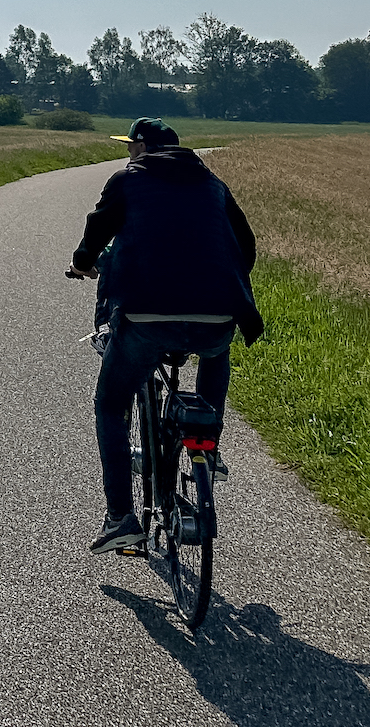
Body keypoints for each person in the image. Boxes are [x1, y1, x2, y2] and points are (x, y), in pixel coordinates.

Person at [68, 116, 262, 554]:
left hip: (147, 317)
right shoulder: (212, 184)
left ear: (140, 148)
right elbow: (245, 245)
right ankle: (208, 446)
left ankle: (120, 518)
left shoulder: (126, 180)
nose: (127, 153)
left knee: (111, 405)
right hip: (218, 312)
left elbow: (94, 237)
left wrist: (82, 266)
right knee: (216, 350)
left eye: (129, 146)